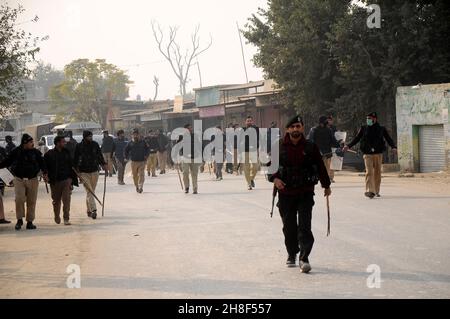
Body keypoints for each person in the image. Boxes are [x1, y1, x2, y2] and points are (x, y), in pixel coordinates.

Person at [268, 115, 331, 273]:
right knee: (289, 227)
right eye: (293, 127)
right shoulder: (279, 146)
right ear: (288, 129)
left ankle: (304, 258)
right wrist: (275, 180)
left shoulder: (310, 146)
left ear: (302, 128)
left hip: (305, 192)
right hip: (286, 193)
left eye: (298, 126)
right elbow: (270, 169)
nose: (295, 129)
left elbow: (320, 166)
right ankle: (291, 253)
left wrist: (326, 185)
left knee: (305, 226)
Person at [343, 112, 397, 198]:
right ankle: (369, 190)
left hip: (378, 154)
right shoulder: (363, 128)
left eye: (370, 118)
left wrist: (393, 147)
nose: (368, 120)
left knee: (377, 173)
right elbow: (357, 138)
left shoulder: (381, 129)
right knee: (369, 172)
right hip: (367, 154)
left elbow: (388, 139)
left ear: (375, 119)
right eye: (367, 118)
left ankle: (376, 190)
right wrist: (348, 146)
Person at [0, 134, 46, 230]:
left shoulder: (35, 152)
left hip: (33, 179)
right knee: (19, 199)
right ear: (25, 142)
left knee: (31, 201)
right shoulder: (16, 152)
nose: (32, 144)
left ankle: (30, 222)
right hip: (19, 179)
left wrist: (45, 173)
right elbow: (7, 161)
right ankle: (19, 220)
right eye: (30, 142)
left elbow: (42, 163)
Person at [44, 136, 78, 225]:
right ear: (57, 143)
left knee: (66, 200)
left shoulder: (67, 153)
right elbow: (44, 167)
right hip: (55, 181)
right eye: (63, 142)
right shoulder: (49, 154)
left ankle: (66, 218)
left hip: (66, 180)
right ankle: (56, 215)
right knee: (56, 201)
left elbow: (72, 166)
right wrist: (45, 175)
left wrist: (72, 179)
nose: (65, 143)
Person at [74, 130, 107, 219]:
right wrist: (77, 171)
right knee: (90, 191)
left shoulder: (95, 145)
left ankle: (88, 210)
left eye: (91, 136)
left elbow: (99, 156)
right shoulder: (79, 146)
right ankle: (94, 210)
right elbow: (75, 159)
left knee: (91, 191)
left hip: (94, 171)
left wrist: (103, 164)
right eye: (89, 136)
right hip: (83, 172)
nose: (90, 138)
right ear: (84, 137)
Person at [308, 115, 340, 183]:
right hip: (318, 153)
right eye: (326, 121)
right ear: (322, 122)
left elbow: (333, 141)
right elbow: (311, 141)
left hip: (327, 153)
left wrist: (339, 145)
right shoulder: (314, 130)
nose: (327, 122)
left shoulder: (329, 130)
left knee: (326, 167)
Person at [178, 124, 202, 194]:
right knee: (185, 172)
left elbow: (199, 145)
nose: (190, 129)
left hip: (195, 157)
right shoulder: (181, 136)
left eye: (191, 128)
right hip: (185, 157)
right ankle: (187, 187)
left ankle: (195, 189)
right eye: (189, 128)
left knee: (194, 174)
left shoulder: (195, 136)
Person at [125, 129, 149, 193]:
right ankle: (137, 186)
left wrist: (146, 155)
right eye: (134, 135)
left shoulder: (143, 142)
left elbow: (147, 149)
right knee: (135, 176)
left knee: (141, 174)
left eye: (137, 135)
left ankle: (140, 186)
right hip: (133, 162)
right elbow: (126, 150)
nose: (135, 136)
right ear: (132, 135)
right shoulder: (130, 143)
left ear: (139, 135)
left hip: (142, 161)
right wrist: (126, 157)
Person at [240, 116, 260, 190]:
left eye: (250, 121)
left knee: (256, 167)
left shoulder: (256, 129)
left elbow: (259, 138)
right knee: (246, 168)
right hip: (245, 151)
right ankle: (249, 184)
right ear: (245, 122)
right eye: (248, 121)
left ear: (252, 121)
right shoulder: (242, 130)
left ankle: (251, 179)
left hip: (254, 150)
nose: (249, 122)